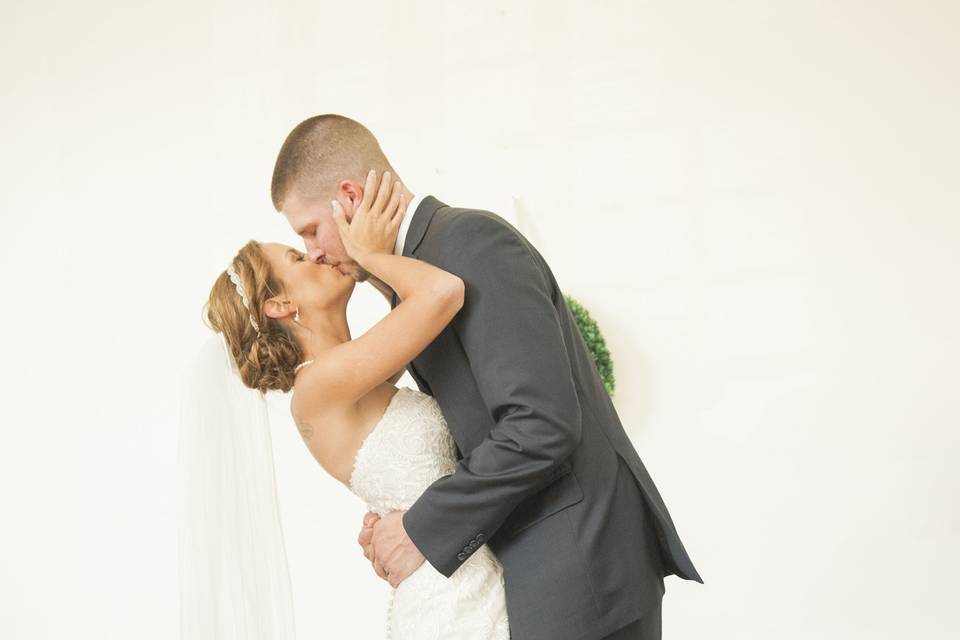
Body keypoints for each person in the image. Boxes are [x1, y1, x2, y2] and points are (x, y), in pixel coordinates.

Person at [269, 115, 703, 640]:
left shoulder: (472, 242)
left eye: (310, 231)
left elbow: (541, 423)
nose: (314, 252)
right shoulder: (419, 274)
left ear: (349, 196)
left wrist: (421, 529)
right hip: (535, 570)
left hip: (580, 567)